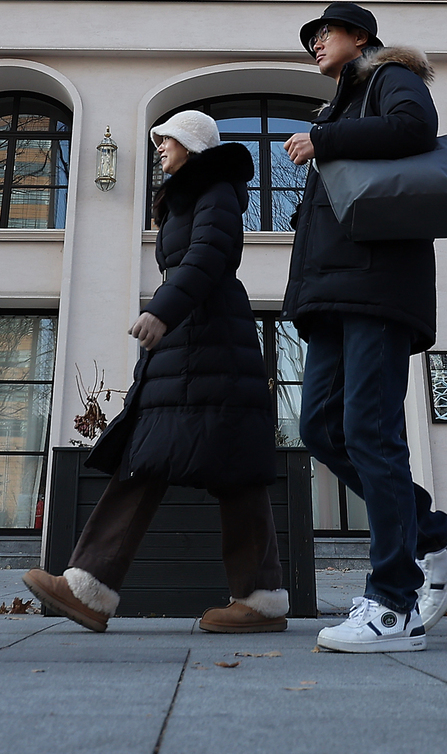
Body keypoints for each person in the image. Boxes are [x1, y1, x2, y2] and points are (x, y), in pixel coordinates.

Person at [23, 110, 289, 633]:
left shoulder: (213, 191)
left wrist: (163, 308)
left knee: (160, 463)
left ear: (191, 144)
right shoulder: (196, 194)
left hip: (207, 342)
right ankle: (258, 599)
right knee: (203, 467)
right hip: (198, 344)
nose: (160, 149)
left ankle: (90, 589)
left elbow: (211, 256)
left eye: (166, 140)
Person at [282, 2, 447, 653]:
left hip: (377, 290)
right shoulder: (339, 107)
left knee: (369, 429)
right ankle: (437, 535)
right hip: (336, 296)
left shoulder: (389, 78)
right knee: (320, 426)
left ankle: (392, 603)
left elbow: (414, 128)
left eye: (324, 32)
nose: (315, 43)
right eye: (310, 37)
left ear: (359, 36)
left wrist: (326, 142)